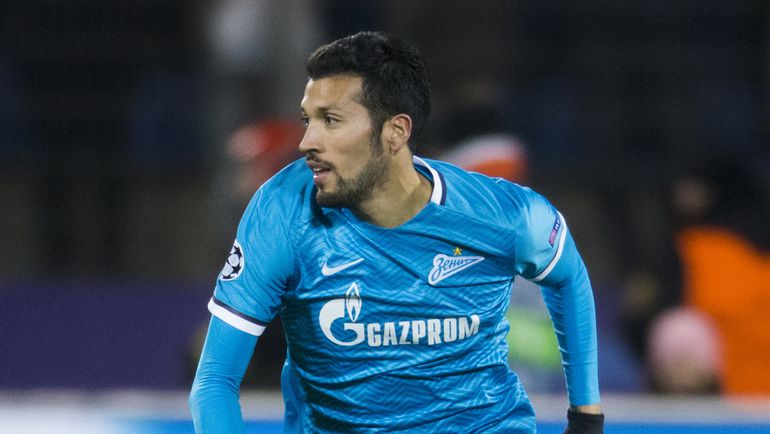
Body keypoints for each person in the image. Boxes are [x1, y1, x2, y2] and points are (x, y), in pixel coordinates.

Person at [190, 31, 603, 433]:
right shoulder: (282, 209)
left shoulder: (503, 214)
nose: (307, 141)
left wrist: (586, 417)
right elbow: (214, 383)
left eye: (330, 120)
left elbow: (568, 277)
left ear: (396, 131)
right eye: (308, 119)